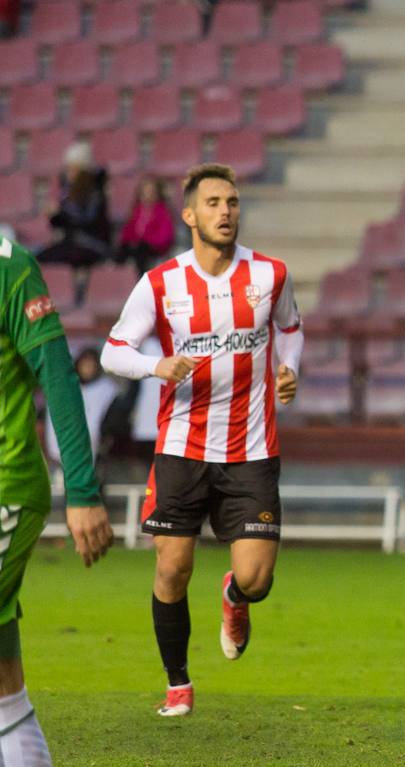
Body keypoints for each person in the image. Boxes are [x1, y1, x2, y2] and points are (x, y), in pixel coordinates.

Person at [100, 163, 304, 717]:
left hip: (253, 450)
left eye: (232, 202)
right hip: (182, 448)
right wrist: (155, 365)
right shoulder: (162, 283)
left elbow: (289, 328)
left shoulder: (270, 275)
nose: (225, 212)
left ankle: (235, 599)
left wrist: (289, 369)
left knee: (258, 578)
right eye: (213, 203)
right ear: (189, 215)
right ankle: (177, 683)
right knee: (172, 568)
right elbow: (111, 351)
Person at [0, 234, 115, 767]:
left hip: (6, 484)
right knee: (4, 680)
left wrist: (83, 490)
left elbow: (58, 373)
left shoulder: (9, 265)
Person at [35, 143, 112, 306]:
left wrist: (60, 214)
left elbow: (87, 221)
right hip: (73, 243)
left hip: (92, 245)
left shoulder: (95, 193)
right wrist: (54, 216)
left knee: (52, 256)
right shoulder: (69, 191)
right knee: (38, 258)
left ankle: (77, 298)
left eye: (73, 169)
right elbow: (64, 224)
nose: (68, 173)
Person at [44, 348, 121, 468]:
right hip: (65, 447)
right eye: (84, 364)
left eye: (91, 365)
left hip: (96, 451)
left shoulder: (106, 389)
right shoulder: (65, 388)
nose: (87, 369)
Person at [113, 176, 177, 277]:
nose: (148, 195)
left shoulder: (163, 211)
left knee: (141, 253)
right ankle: (118, 278)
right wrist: (130, 241)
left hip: (153, 247)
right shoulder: (136, 211)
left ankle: (141, 280)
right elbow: (128, 230)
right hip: (137, 246)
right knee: (121, 251)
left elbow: (165, 235)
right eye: (145, 192)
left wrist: (147, 240)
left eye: (151, 192)